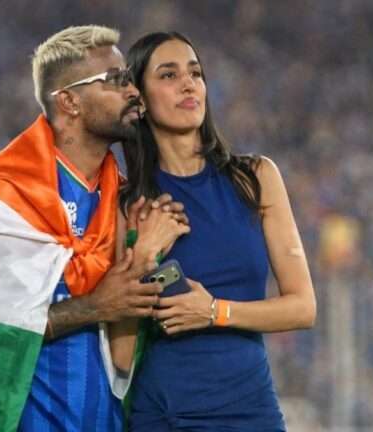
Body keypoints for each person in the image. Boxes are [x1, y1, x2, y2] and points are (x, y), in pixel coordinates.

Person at [0, 25, 189, 431]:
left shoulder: (124, 203)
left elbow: (124, 346)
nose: (133, 91)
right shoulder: (1, 194)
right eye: (115, 80)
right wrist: (97, 304)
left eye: (129, 79)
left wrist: (143, 254)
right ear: (70, 102)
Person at [111, 31, 317, 431]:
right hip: (163, 416)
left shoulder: (256, 178)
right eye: (168, 75)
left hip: (251, 411)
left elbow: (303, 307)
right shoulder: (126, 204)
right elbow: (120, 355)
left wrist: (213, 311)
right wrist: (142, 257)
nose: (189, 84)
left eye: (195, 73)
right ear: (139, 99)